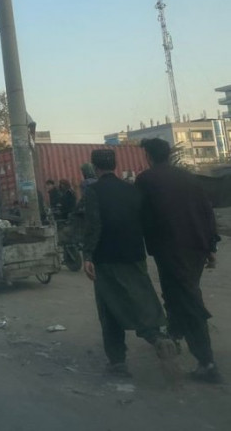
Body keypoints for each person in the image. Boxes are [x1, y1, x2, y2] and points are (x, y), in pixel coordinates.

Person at [80, 149, 177, 378]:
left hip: (106, 258)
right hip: (134, 255)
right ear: (115, 165)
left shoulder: (93, 191)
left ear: (94, 167)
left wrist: (88, 255)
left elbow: (94, 225)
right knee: (141, 299)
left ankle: (118, 362)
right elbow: (145, 222)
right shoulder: (132, 190)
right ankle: (158, 338)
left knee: (109, 307)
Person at [135, 137, 222, 383]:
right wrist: (211, 246)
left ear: (148, 156)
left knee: (188, 299)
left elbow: (141, 215)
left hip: (170, 249)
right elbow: (206, 212)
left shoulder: (146, 180)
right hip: (197, 247)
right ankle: (175, 335)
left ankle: (207, 363)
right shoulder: (189, 178)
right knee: (177, 293)